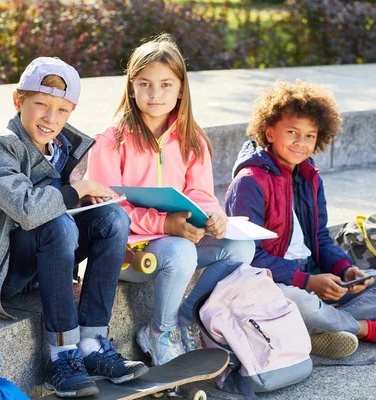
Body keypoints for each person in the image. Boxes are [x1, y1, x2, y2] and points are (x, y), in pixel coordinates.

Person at [0, 57, 148, 398]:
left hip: (36, 258)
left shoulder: (59, 147)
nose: (51, 118)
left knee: (113, 220)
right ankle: (61, 355)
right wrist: (77, 190)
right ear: (18, 100)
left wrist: (81, 203)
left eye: (63, 110)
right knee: (59, 227)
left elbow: (50, 204)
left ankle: (92, 345)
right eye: (41, 104)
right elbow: (27, 207)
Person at [87, 34, 255, 366]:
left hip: (177, 239)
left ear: (181, 89)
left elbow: (200, 194)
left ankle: (186, 316)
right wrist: (165, 224)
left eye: (166, 84)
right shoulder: (110, 141)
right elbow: (105, 210)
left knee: (241, 247)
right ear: (131, 87)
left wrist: (211, 215)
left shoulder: (193, 139)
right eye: (145, 84)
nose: (155, 94)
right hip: (128, 254)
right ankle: (160, 331)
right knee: (179, 250)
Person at [225, 80, 376, 360]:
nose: (300, 142)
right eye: (292, 132)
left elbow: (319, 238)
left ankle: (319, 330)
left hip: (314, 275)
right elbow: (247, 257)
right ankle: (364, 329)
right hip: (273, 283)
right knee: (301, 302)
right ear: (269, 132)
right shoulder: (249, 182)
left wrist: (345, 270)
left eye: (309, 136)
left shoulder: (310, 179)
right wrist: (306, 282)